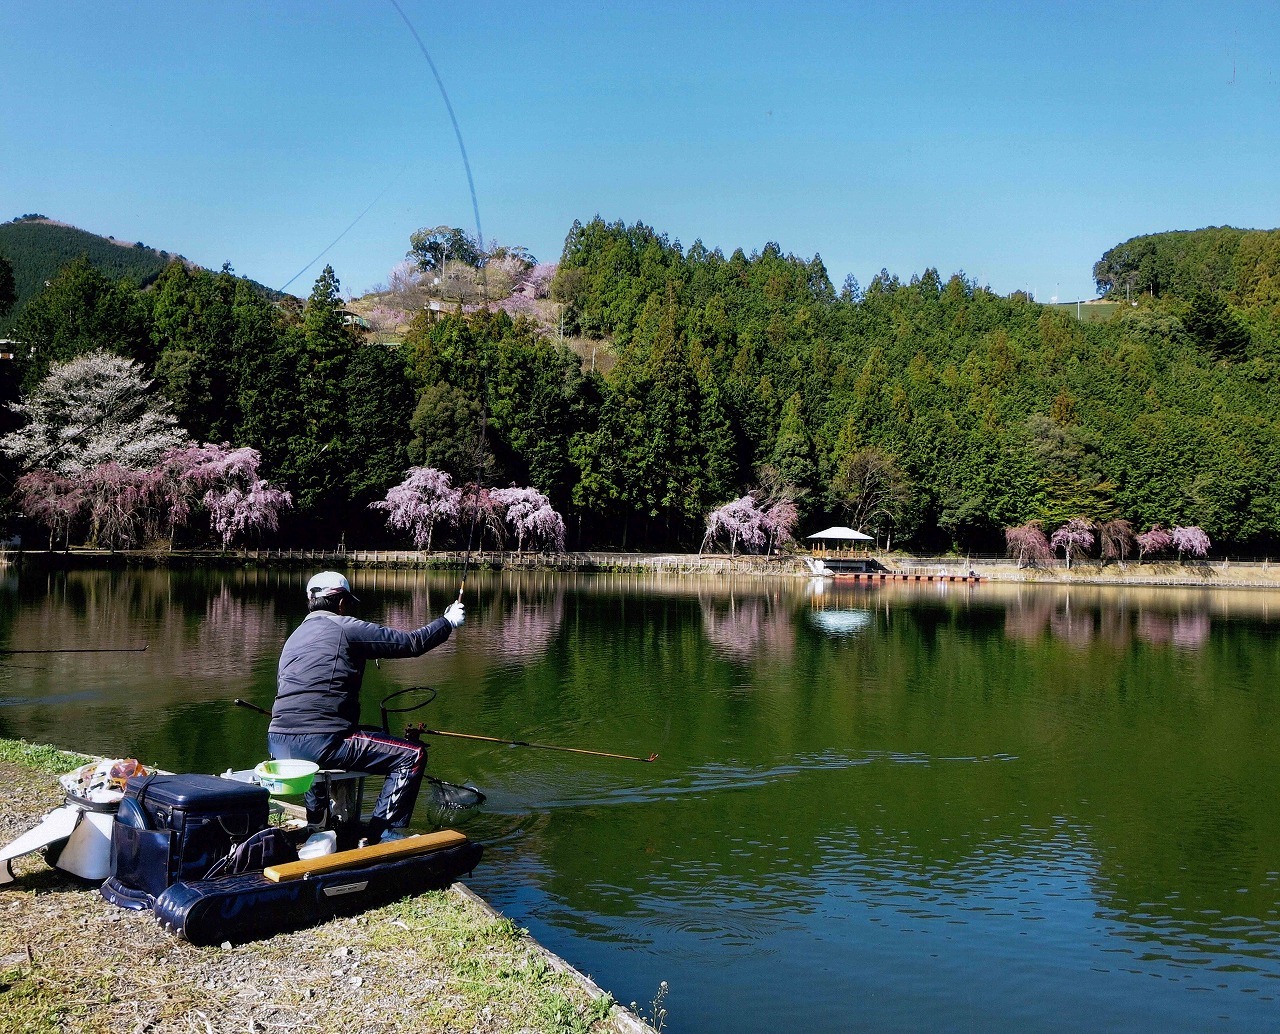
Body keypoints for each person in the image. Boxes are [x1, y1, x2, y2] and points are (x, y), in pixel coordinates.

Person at [268, 571, 464, 843]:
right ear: (340, 602)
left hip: (277, 743)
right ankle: (383, 833)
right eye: (349, 602)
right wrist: (447, 622)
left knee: (317, 749)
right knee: (411, 755)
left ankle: (319, 823)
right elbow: (411, 643)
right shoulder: (346, 627)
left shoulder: (294, 638)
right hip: (321, 742)